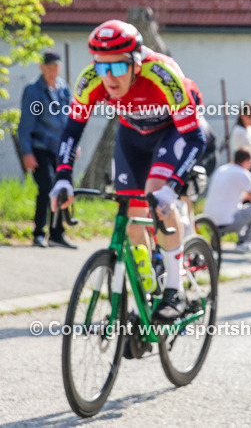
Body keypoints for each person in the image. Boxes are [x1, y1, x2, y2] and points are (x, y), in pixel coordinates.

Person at [49, 20, 205, 322]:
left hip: (173, 131)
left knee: (155, 192)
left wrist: (171, 188)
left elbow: (195, 139)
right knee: (132, 218)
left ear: (136, 64)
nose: (109, 77)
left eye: (118, 68)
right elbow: (71, 131)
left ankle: (175, 289)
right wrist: (62, 177)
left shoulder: (162, 74)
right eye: (101, 66)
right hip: (133, 134)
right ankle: (147, 293)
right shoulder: (90, 80)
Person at [19, 50, 73, 248]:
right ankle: (38, 233)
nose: (53, 71)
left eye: (56, 67)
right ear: (42, 67)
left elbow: (69, 119)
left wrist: (73, 143)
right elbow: (25, 125)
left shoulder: (63, 88)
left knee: (63, 189)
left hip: (60, 149)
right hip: (39, 147)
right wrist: (27, 153)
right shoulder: (33, 90)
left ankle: (57, 233)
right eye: (49, 67)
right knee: (46, 188)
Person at [203, 147, 251, 253]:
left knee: (240, 209)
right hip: (227, 222)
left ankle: (216, 237)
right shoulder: (243, 173)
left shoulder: (222, 169)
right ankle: (244, 242)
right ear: (247, 161)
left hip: (208, 219)